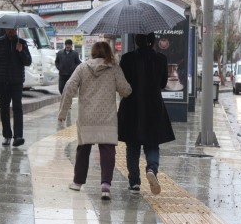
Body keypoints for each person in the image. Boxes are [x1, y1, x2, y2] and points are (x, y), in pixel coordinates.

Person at [58, 41, 131, 200]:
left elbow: (69, 87)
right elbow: (126, 90)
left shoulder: (82, 68)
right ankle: (105, 185)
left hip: (87, 117)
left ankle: (77, 182)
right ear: (108, 53)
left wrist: (63, 112)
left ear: (92, 52)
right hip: (107, 117)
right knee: (108, 150)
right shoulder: (114, 69)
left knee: (83, 149)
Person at [118, 33, 176, 195]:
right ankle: (151, 168)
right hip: (154, 106)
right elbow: (163, 83)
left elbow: (122, 83)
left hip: (131, 106)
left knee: (132, 146)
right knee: (152, 144)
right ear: (153, 41)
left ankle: (134, 183)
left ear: (136, 41)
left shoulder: (127, 58)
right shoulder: (161, 59)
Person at [0, 28, 32, 147]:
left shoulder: (22, 43)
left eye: (13, 29)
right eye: (9, 29)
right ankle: (7, 135)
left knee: (17, 108)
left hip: (17, 81)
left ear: (16, 29)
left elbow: (28, 62)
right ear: (5, 29)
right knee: (4, 109)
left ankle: (18, 136)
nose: (12, 31)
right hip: (2, 81)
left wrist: (21, 51)